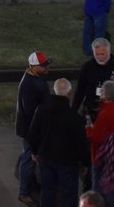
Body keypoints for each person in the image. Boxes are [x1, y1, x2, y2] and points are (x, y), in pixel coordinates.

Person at [28, 77, 89, 207]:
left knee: (47, 191)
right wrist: (85, 163)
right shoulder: (74, 118)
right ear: (69, 93)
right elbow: (81, 143)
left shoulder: (42, 110)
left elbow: (33, 134)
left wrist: (34, 151)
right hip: (67, 163)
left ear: (54, 91)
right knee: (69, 194)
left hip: (46, 158)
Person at [17, 51, 52, 207]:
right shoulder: (29, 85)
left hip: (34, 128)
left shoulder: (36, 78)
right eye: (43, 65)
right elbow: (31, 111)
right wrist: (37, 131)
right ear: (33, 66)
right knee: (29, 160)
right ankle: (24, 193)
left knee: (31, 158)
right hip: (32, 130)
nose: (46, 67)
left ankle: (31, 188)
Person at [85, 80, 114, 190]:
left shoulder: (105, 113)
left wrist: (88, 128)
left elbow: (96, 137)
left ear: (107, 95)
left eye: (102, 91)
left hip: (102, 157)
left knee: (98, 190)